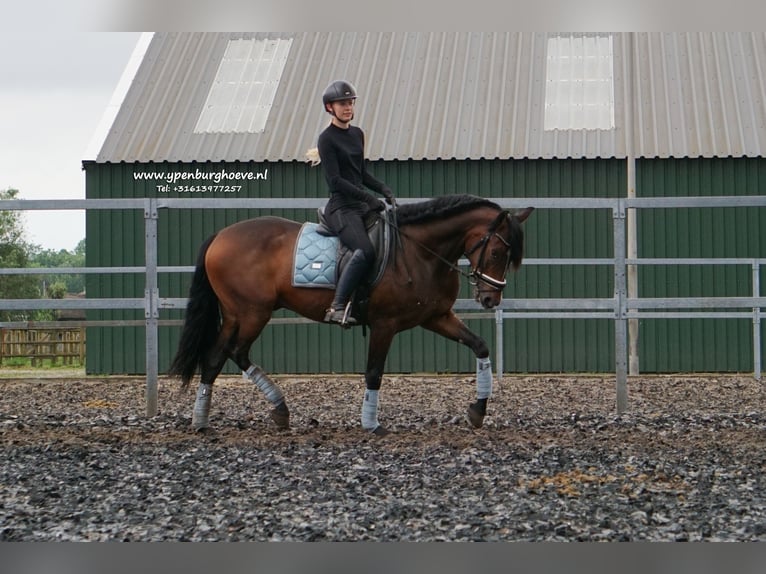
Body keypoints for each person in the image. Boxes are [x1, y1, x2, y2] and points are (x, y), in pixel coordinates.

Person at [315, 80, 395, 326]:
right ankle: (337, 307)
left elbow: (360, 174)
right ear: (330, 108)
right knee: (365, 251)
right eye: (342, 103)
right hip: (342, 208)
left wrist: (382, 188)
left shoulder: (358, 134)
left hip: (360, 205)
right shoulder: (326, 139)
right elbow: (336, 181)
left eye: (350, 103)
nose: (348, 107)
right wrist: (368, 197)